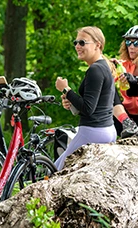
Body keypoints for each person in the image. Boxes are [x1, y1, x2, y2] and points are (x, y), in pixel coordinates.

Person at [54, 26, 117, 171]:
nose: (77, 46)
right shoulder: (102, 67)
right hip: (107, 130)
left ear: (97, 45)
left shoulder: (95, 70)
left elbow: (88, 109)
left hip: (93, 131)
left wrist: (66, 89)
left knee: (56, 171)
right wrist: (71, 101)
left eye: (82, 42)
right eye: (76, 42)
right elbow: (96, 103)